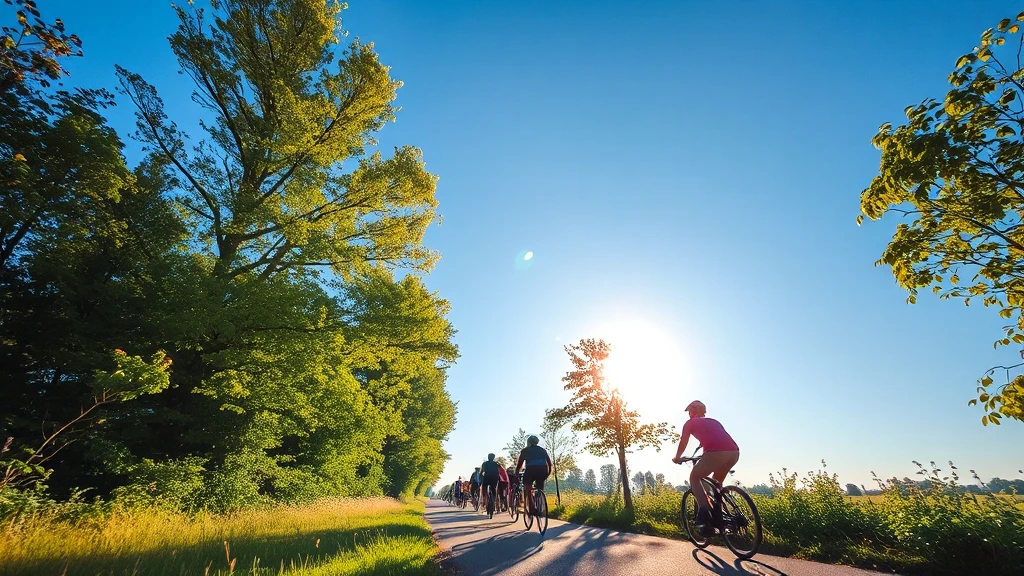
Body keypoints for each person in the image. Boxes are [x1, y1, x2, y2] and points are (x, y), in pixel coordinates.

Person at [671, 400, 739, 533]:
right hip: (734, 452)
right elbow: (715, 441)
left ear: (694, 410)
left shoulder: (690, 423)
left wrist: (677, 457)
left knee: (694, 477)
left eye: (689, 411)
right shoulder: (714, 422)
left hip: (716, 453)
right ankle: (721, 519)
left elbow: (683, 441)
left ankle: (705, 513)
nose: (689, 414)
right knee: (716, 484)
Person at [515, 435, 552, 515]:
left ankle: (532, 509)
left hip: (530, 470)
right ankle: (540, 505)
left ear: (528, 442)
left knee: (527, 487)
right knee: (540, 487)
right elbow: (549, 463)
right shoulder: (542, 450)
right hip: (543, 470)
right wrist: (547, 474)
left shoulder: (525, 450)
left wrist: (517, 472)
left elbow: (519, 464)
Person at [479, 453, 501, 518]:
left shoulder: (485, 463)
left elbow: (482, 472)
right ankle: (493, 500)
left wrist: (480, 478)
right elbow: (500, 470)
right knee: (494, 490)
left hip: (487, 477)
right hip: (495, 478)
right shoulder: (496, 464)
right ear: (493, 458)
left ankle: (485, 500)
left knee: (484, 490)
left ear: (488, 457)